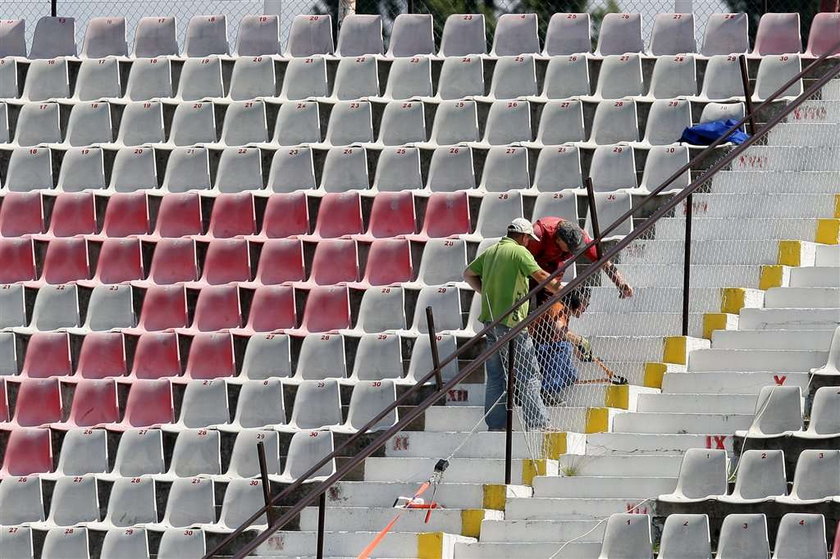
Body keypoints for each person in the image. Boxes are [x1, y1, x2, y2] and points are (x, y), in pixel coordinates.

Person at [463, 218, 563, 431]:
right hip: (513, 323)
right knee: (528, 373)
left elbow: (468, 274)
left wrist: (485, 291)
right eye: (528, 239)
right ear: (523, 236)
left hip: (491, 322)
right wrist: (563, 291)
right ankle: (537, 423)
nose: (529, 243)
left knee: (496, 376)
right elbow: (542, 276)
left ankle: (496, 425)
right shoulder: (520, 252)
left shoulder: (491, 252)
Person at [528, 216, 634, 299]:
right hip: (530, 266)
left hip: (554, 267)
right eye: (570, 248)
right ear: (558, 239)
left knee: (550, 307)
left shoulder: (581, 238)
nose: (573, 252)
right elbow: (523, 260)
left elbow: (603, 261)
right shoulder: (539, 234)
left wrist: (620, 283)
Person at [529, 287, 592, 400]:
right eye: (585, 305)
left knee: (571, 376)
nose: (584, 309)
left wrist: (578, 349)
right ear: (577, 301)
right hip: (536, 348)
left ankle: (548, 388)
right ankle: (546, 390)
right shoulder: (558, 307)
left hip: (544, 349)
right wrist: (580, 340)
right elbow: (559, 329)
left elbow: (562, 334)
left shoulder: (565, 311)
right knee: (565, 347)